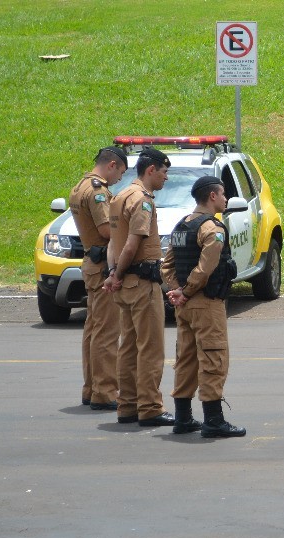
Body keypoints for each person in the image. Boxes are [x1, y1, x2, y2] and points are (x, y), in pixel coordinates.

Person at [160, 176, 246, 437]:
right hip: (206, 303)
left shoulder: (182, 225)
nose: (225, 199)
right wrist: (186, 291)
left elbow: (167, 265)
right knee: (213, 358)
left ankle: (183, 417)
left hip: (184, 306)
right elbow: (206, 267)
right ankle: (213, 420)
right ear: (212, 196)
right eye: (222, 194)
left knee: (186, 359)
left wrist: (176, 290)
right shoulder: (212, 229)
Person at [103, 148, 173, 426]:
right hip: (142, 282)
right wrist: (118, 272)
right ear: (151, 170)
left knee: (129, 347)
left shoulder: (119, 196)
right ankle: (150, 407)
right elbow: (132, 244)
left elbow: (112, 243)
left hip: (124, 284)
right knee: (151, 348)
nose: (166, 178)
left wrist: (112, 274)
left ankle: (128, 405)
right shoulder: (142, 201)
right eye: (164, 172)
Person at [68, 146, 126, 410]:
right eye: (120, 173)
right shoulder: (98, 191)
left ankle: (91, 387)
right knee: (106, 332)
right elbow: (106, 230)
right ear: (111, 165)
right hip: (102, 264)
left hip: (92, 263)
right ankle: (105, 391)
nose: (119, 180)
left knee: (93, 330)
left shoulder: (81, 186)